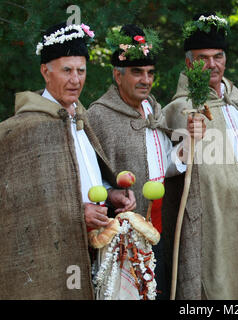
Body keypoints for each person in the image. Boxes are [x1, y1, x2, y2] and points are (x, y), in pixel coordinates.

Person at [0, 22, 136, 299]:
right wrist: (76, 213)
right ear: (45, 71)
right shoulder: (24, 129)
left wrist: (112, 195)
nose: (76, 80)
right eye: (67, 70)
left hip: (98, 247)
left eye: (81, 70)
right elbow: (20, 207)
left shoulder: (80, 118)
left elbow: (86, 176)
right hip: (52, 257)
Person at [162, 12, 238, 299]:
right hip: (215, 212)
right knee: (219, 286)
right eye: (203, 58)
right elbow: (185, 170)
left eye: (218, 56)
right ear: (189, 63)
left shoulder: (235, 97)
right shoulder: (182, 108)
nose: (212, 64)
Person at [87, 24, 205, 300]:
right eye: (137, 72)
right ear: (118, 75)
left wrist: (189, 142)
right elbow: (92, 176)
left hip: (158, 222)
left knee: (157, 290)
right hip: (122, 229)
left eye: (150, 73)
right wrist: (111, 194)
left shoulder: (153, 110)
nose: (146, 80)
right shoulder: (100, 116)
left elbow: (165, 165)